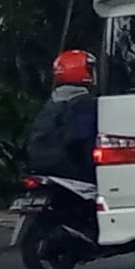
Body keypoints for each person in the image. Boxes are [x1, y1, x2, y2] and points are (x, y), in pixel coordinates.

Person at [22, 48, 97, 185]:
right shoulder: (86, 105)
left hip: (39, 167)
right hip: (74, 172)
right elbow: (82, 139)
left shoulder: (50, 104)